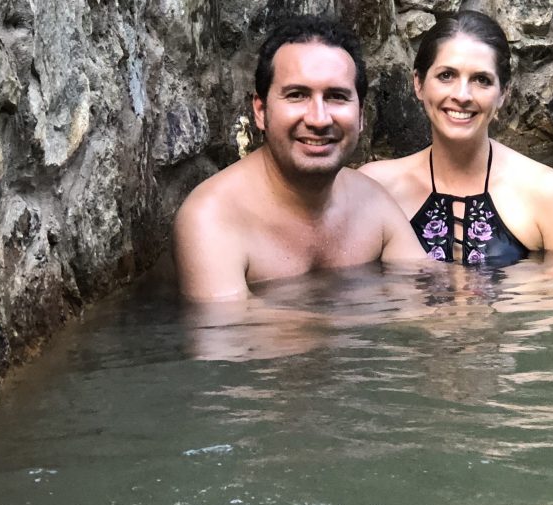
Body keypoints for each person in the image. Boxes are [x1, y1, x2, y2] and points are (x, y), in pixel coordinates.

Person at [174, 16, 426, 301]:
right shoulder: (212, 217)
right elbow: (228, 337)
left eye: (336, 96)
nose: (318, 119)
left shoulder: (374, 205)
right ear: (260, 111)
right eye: (297, 95)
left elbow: (424, 309)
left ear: (361, 116)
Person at [360, 10, 553, 265]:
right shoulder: (375, 189)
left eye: (481, 80)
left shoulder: (547, 193)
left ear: (503, 93)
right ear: (418, 83)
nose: (462, 95)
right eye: (446, 75)